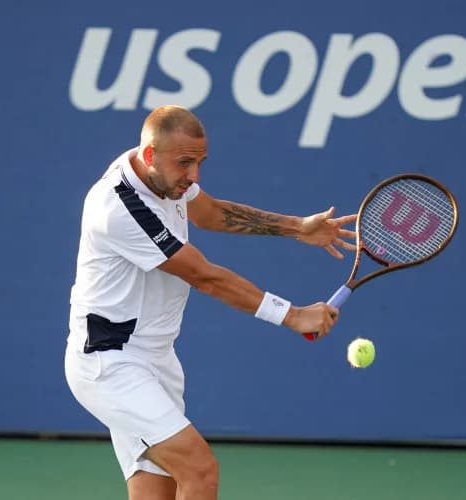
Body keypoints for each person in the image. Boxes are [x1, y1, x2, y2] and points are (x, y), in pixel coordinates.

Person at [64, 105, 357, 500]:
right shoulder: (119, 208)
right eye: (185, 163)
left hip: (157, 359)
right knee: (199, 470)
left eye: (200, 163)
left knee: (156, 492)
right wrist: (291, 315)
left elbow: (211, 212)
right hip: (110, 364)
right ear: (150, 155)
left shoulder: (161, 175)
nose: (194, 176)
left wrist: (297, 227)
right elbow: (205, 276)